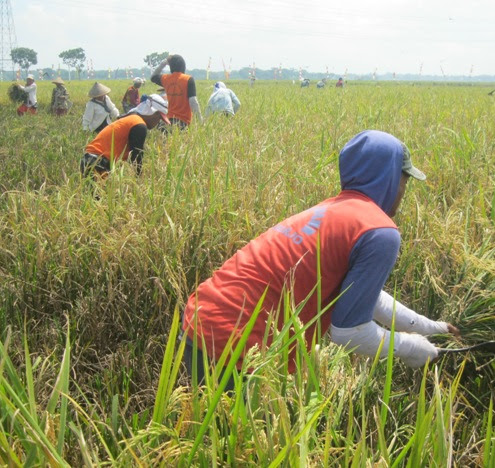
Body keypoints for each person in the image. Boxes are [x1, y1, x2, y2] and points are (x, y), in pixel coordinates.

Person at [182, 130, 460, 387]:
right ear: (387, 177)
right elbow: (348, 332)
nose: (404, 191)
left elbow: (366, 297)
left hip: (200, 323)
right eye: (404, 180)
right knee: (246, 440)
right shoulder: (379, 230)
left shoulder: (333, 211)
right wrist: (411, 348)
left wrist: (431, 327)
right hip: (236, 345)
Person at [80, 94, 168, 179]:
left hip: (91, 160)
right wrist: (139, 180)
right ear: (154, 114)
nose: (157, 123)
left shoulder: (132, 118)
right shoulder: (139, 125)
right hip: (97, 163)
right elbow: (136, 158)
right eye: (159, 118)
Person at [151, 53, 203, 131]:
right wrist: (200, 121)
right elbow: (193, 101)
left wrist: (164, 63)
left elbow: (153, 77)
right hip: (183, 123)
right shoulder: (188, 79)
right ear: (183, 66)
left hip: (168, 121)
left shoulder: (165, 78)